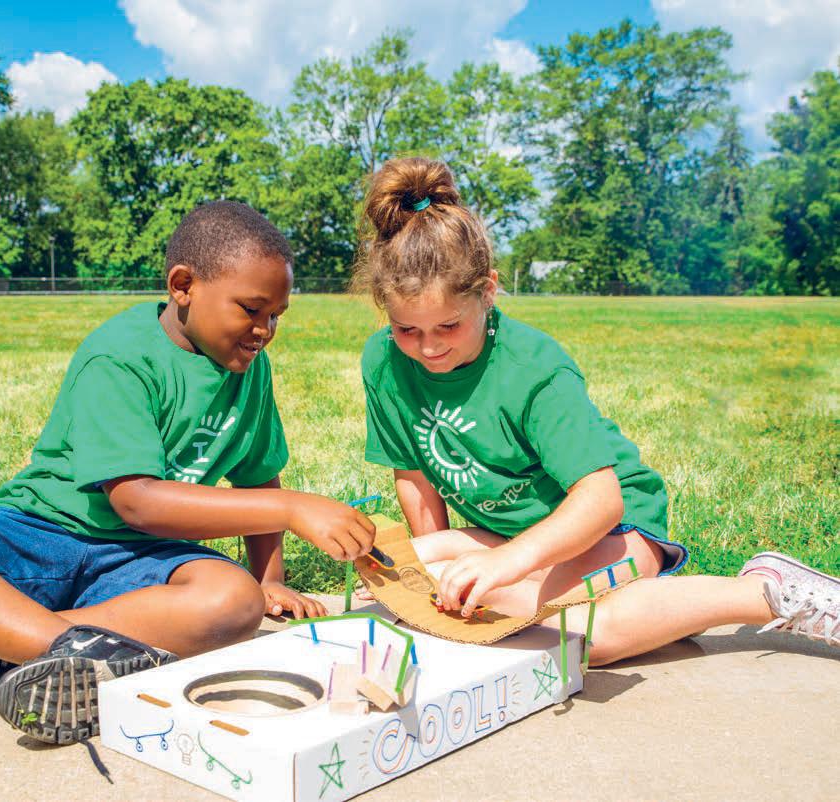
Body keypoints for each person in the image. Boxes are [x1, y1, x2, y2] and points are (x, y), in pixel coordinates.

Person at [0, 201, 377, 744]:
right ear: (183, 286)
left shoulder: (249, 369)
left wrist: (268, 580)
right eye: (252, 309)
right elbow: (136, 501)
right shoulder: (120, 356)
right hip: (38, 536)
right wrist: (293, 507)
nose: (265, 330)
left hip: (139, 562)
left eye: (276, 315)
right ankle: (64, 651)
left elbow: (257, 477)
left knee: (234, 602)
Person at [353, 157, 838, 662]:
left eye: (448, 326)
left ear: (488, 291)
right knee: (419, 564)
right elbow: (414, 475)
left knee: (578, 635)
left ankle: (764, 590)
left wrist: (509, 563)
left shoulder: (534, 367)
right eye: (407, 330)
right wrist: (433, 595)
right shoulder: (384, 362)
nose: (429, 347)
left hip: (612, 528)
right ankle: (648, 613)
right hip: (518, 537)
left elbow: (601, 500)